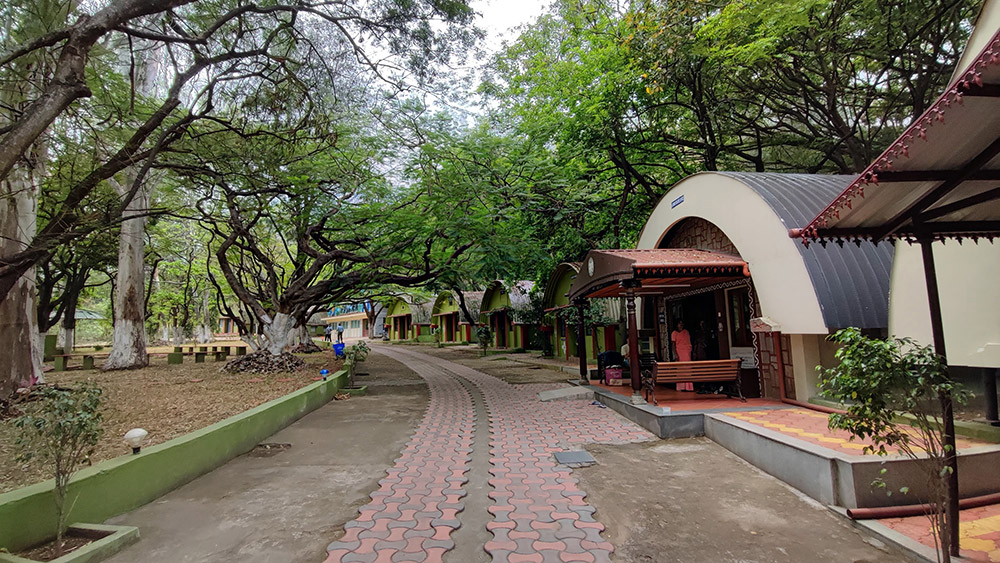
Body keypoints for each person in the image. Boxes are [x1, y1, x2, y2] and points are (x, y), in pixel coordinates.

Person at [671, 320, 694, 391]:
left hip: (686, 352)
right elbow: (673, 345)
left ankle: (688, 387)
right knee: (680, 370)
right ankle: (681, 387)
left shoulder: (686, 332)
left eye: (682, 323)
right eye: (679, 323)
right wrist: (675, 354)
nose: (681, 325)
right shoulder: (674, 333)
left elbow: (689, 342)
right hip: (679, 352)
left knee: (687, 369)